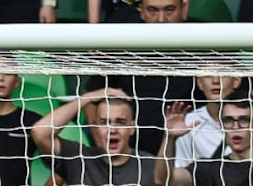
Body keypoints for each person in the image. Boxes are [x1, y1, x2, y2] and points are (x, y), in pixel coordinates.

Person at [81, 0, 195, 157]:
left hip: (186, 157)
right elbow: (91, 98)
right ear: (141, 11)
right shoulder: (124, 42)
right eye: (153, 10)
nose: (161, 19)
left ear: (184, 8)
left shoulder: (205, 41)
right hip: (130, 158)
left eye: (169, 10)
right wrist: (103, 147)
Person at [168, 76, 253, 171]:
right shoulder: (188, 124)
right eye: (208, 75)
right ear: (200, 83)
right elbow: (175, 177)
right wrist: (169, 138)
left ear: (236, 80)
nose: (215, 81)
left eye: (222, 75)